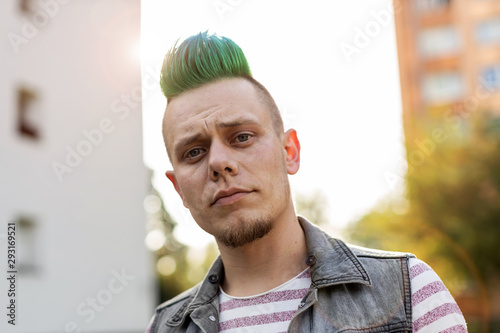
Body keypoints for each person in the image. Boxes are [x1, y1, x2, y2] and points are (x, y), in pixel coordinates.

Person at [147, 32, 467, 333]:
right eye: (194, 152)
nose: (218, 162)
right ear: (178, 189)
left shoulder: (409, 292)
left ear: (290, 152)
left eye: (242, 137)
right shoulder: (164, 326)